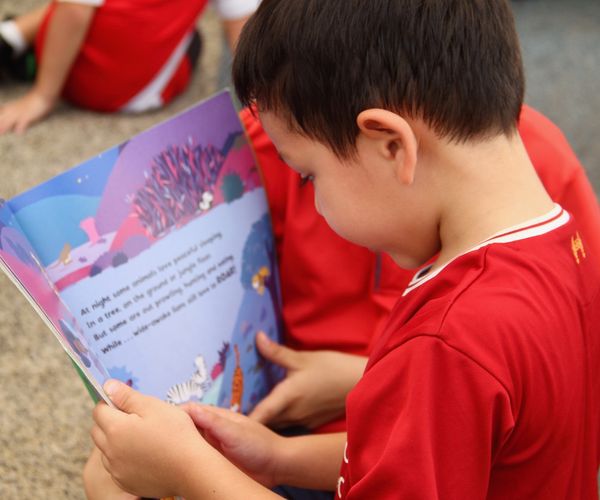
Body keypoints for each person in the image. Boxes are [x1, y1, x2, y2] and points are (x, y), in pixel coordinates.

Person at [89, 0, 600, 497]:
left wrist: (187, 469)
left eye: (309, 175)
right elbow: (427, 452)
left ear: (391, 145)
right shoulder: (565, 242)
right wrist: (278, 457)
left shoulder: (445, 341)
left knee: (113, 481)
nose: (315, 200)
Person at [0, 0, 260, 134]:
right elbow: (242, 35)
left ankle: (14, 35)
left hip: (60, 61)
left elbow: (73, 10)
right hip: (136, 93)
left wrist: (43, 96)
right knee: (193, 38)